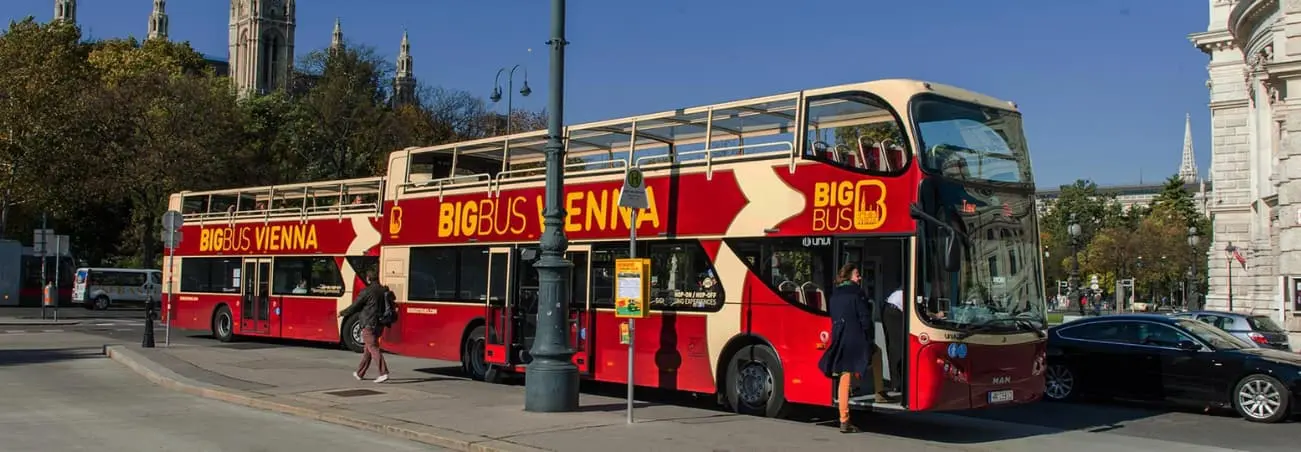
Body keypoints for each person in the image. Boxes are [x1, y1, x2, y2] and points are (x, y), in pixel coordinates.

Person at [818, 263, 875, 434]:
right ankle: (879, 393)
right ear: (850, 276)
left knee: (845, 376)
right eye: (857, 274)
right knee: (869, 358)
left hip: (840, 336)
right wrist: (869, 336)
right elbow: (864, 319)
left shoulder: (835, 296)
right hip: (855, 337)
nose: (859, 277)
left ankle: (844, 418)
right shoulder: (857, 294)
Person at [340, 270, 390, 383]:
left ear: (368, 278)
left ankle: (383, 372)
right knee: (368, 348)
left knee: (372, 348)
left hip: (368, 323)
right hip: (379, 323)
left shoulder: (367, 291)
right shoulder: (383, 290)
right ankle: (359, 373)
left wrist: (342, 313)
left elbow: (355, 305)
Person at [881, 287, 905, 393]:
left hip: (891, 309)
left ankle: (897, 382)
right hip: (893, 312)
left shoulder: (900, 292)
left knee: (895, 346)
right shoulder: (908, 292)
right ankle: (896, 384)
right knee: (897, 347)